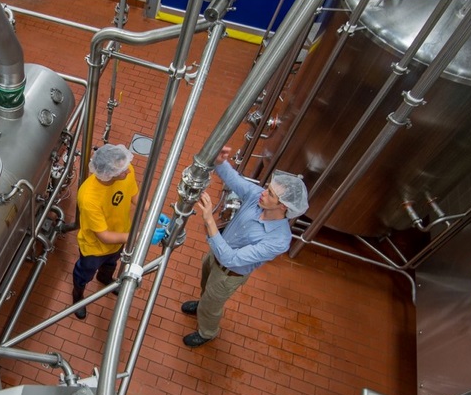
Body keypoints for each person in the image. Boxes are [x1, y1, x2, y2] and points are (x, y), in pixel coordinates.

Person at [180, 146, 308, 347]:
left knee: (213, 306)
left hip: (228, 274)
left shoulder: (278, 240)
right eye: (268, 188)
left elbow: (231, 259)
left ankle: (207, 332)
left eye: (270, 194)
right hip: (214, 255)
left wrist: (209, 219)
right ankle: (202, 303)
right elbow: (234, 180)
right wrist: (220, 162)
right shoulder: (257, 197)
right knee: (206, 287)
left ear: (283, 206)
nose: (264, 193)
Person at [71, 144, 165, 320]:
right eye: (122, 170)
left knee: (112, 263)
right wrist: (141, 237)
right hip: (94, 249)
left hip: (121, 237)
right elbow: (104, 236)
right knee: (84, 273)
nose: (128, 171)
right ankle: (78, 297)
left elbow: (134, 195)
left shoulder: (126, 170)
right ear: (109, 174)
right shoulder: (89, 197)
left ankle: (104, 278)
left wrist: (154, 211)